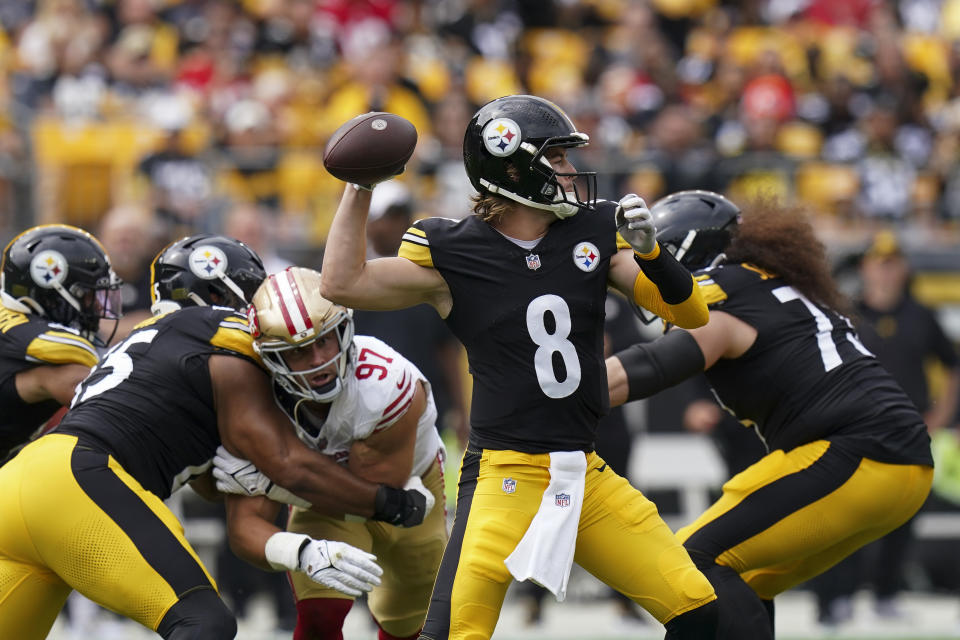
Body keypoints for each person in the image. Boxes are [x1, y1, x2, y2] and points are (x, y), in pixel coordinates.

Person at [320, 94, 719, 640]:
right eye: (557, 158)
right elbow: (343, 284)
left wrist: (654, 253)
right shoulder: (450, 248)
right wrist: (359, 186)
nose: (571, 172)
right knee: (452, 633)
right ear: (512, 166)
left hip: (585, 474)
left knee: (699, 611)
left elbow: (690, 312)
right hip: (503, 475)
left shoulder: (594, 231)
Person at [0, 234, 433, 640]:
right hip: (79, 481)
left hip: (24, 484)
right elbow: (285, 463)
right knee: (203, 624)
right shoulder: (223, 343)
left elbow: (213, 484)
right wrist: (388, 504)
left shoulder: (156, 351)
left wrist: (265, 489)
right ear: (223, 299)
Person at [606, 190, 935, 640]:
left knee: (689, 565)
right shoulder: (774, 285)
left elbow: (651, 367)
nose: (650, 276)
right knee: (743, 577)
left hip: (852, 452)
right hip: (901, 465)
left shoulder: (721, 292)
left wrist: (551, 390)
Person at [217, 266, 448, 640]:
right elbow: (245, 533)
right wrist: (301, 550)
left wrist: (277, 483)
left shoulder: (384, 383)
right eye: (297, 351)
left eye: (325, 340)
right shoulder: (251, 396)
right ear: (270, 357)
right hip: (330, 502)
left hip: (413, 489)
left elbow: (376, 494)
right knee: (319, 618)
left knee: (407, 622)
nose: (318, 360)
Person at [810, 229, 960, 625]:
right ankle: (839, 596)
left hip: (908, 432)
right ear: (866, 267)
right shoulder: (848, 314)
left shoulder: (921, 314)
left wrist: (942, 417)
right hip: (855, 431)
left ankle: (886, 594)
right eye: (879, 262)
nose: (886, 271)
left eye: (893, 263)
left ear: (904, 269)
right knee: (846, 516)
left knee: (904, 515)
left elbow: (952, 367)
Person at [352, 180, 470, 447]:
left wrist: (462, 413)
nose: (395, 225)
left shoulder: (429, 274)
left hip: (429, 412)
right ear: (369, 223)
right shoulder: (350, 284)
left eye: (400, 217)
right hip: (369, 415)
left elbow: (447, 351)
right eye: (387, 217)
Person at [0, 224, 121, 464]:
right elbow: (123, 419)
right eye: (88, 295)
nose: (97, 307)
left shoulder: (13, 326)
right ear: (55, 292)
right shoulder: (57, 355)